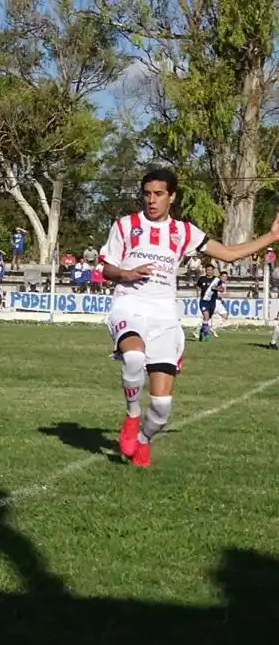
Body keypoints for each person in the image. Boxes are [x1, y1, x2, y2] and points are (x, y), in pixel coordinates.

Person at [101, 168, 279, 467]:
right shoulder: (125, 226)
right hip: (129, 305)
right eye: (147, 194)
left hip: (165, 317)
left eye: (158, 194)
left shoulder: (184, 231)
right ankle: (132, 417)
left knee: (161, 407)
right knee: (133, 358)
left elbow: (230, 254)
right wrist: (126, 273)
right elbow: (107, 269)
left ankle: (143, 439)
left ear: (172, 196)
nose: (151, 200)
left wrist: (272, 236)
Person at [194, 264, 223, 341]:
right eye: (208, 270)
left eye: (211, 270)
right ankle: (206, 335)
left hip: (212, 302)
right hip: (203, 301)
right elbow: (198, 286)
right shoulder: (202, 279)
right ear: (205, 270)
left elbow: (222, 289)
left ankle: (201, 331)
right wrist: (197, 293)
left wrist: (216, 288)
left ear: (213, 271)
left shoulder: (217, 280)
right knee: (206, 316)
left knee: (207, 319)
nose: (209, 271)